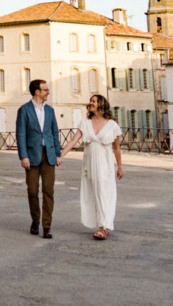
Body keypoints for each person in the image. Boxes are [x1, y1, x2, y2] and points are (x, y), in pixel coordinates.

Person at [60, 93, 123, 240]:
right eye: (90, 101)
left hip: (105, 164)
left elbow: (117, 148)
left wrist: (119, 166)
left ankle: (103, 227)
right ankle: (102, 224)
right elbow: (73, 141)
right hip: (89, 165)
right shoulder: (85, 123)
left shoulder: (112, 125)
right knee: (92, 194)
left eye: (94, 101)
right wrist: (60, 155)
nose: (91, 103)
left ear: (101, 104)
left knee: (103, 193)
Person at [15, 78, 62, 238]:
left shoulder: (50, 110)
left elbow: (54, 132)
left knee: (48, 191)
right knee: (32, 191)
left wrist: (57, 154)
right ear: (37, 92)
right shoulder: (24, 110)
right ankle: (35, 220)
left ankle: (46, 226)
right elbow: (21, 134)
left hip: (48, 155)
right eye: (45, 90)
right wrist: (23, 156)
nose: (48, 92)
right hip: (32, 155)